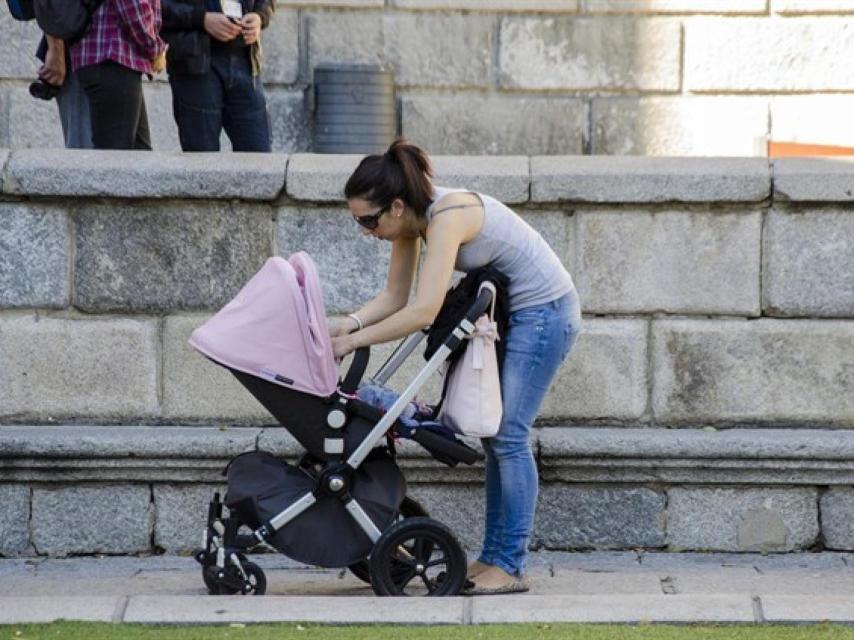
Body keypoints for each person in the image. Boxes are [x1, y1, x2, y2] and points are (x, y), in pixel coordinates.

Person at [328, 138, 582, 595]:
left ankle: (509, 564)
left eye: (369, 220)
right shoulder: (411, 224)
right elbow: (395, 298)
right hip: (519, 315)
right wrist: (344, 325)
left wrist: (354, 342)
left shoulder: (447, 217)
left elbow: (423, 312)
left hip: (545, 313)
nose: (366, 231)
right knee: (495, 437)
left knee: (509, 436)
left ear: (398, 206)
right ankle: (491, 558)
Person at [160, 0, 273, 152]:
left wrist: (260, 16)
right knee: (201, 161)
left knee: (260, 159)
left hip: (245, 60)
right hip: (195, 63)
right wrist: (202, 19)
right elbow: (154, 6)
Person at [71, 0, 166, 150]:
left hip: (111, 59)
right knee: (116, 159)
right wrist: (154, 48)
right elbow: (132, 6)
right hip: (113, 57)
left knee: (138, 157)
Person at [35, 34, 93, 149]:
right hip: (80, 53)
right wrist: (55, 49)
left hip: (114, 58)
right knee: (83, 153)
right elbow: (51, 14)